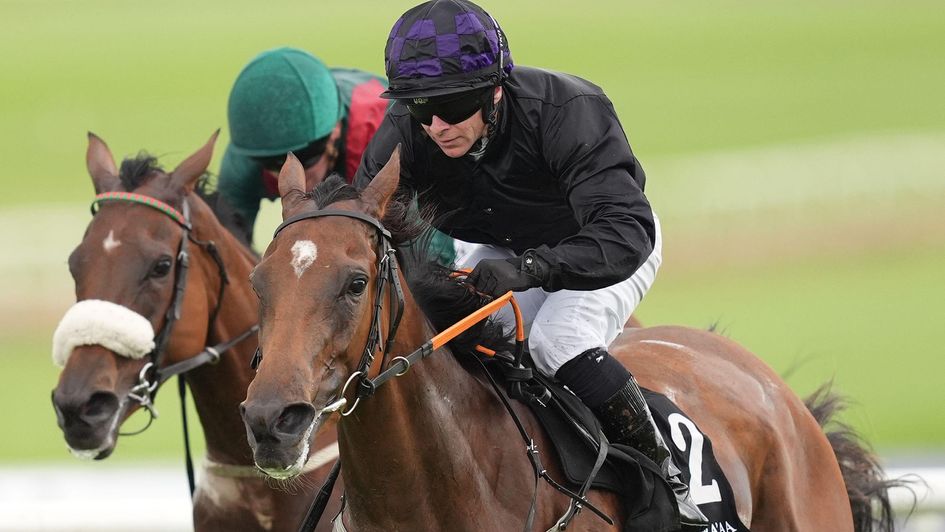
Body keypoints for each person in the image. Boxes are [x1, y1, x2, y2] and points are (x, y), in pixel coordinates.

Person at [354, 0, 707, 527]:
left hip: (603, 244)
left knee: (556, 341)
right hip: (500, 247)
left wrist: (534, 268)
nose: (436, 127)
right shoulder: (409, 129)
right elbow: (368, 229)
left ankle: (666, 484)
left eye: (453, 108)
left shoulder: (570, 110)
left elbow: (625, 233)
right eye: (421, 109)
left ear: (495, 91)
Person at [218, 46, 455, 264]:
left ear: (335, 132)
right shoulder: (245, 158)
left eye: (306, 161)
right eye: (272, 166)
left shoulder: (388, 131)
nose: (295, 178)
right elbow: (228, 256)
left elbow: (432, 246)